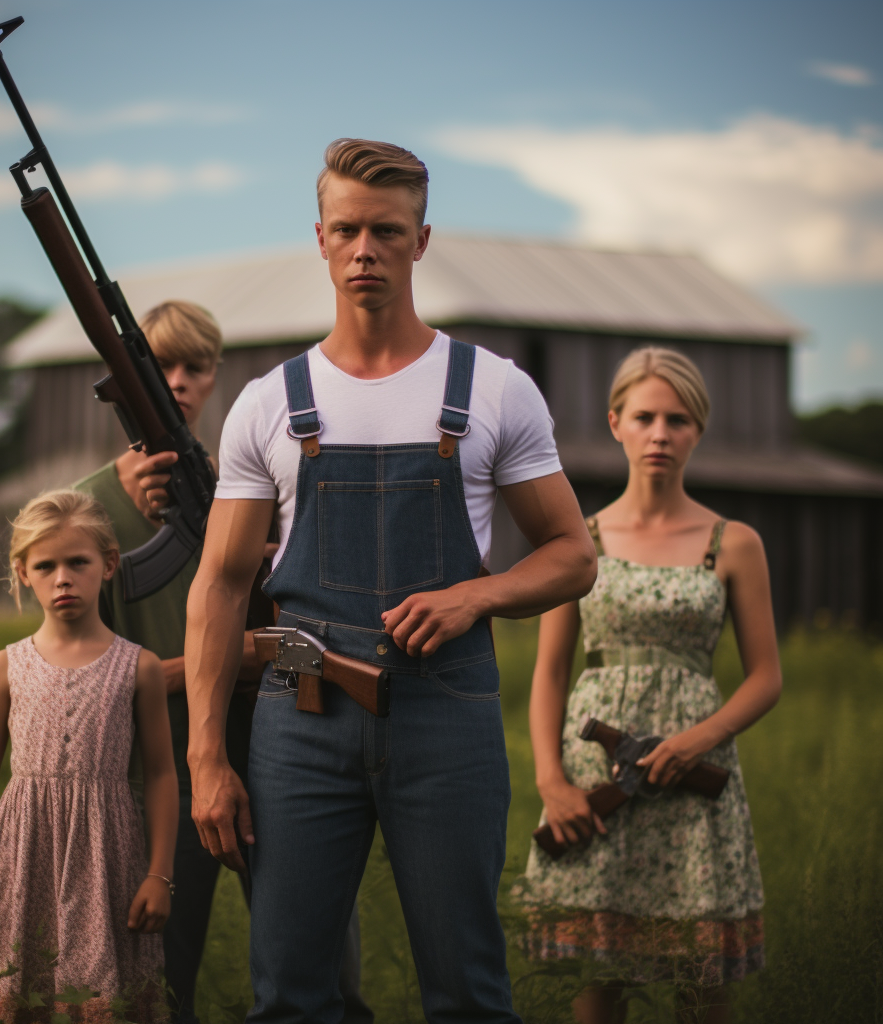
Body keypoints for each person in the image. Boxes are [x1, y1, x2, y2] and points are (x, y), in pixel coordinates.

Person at [176, 138, 597, 1024]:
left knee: (469, 992)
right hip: (297, 706)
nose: (366, 249)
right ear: (321, 240)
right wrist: (208, 754)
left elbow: (573, 553)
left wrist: (476, 594)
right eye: (348, 230)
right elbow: (218, 585)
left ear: (422, 240)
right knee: (290, 992)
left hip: (448, 710)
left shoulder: (493, 390)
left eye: (387, 231)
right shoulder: (268, 401)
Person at [74, 300, 371, 1023]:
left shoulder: (248, 481)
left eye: (194, 367)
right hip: (152, 772)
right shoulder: (86, 510)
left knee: (326, 965)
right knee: (155, 976)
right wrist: (222, 657)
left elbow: (310, 615)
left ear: (214, 378)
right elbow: (73, 674)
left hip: (275, 746)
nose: (178, 381)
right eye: (162, 365)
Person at [516, 347, 782, 1024]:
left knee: (699, 984)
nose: (660, 433)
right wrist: (552, 780)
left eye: (678, 419)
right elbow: (550, 673)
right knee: (599, 978)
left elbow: (766, 678)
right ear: (616, 423)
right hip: (596, 776)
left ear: (698, 430)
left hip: (696, 775)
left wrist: (700, 740)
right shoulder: (579, 539)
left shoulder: (734, 543)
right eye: (645, 417)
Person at [0, 490, 178, 1023]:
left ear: (108, 564)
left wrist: (160, 873)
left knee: (101, 1000)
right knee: (21, 992)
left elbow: (160, 773)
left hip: (108, 857)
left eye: (78, 563)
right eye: (45, 566)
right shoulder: (6, 666)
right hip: (21, 856)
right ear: (22, 572)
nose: (62, 578)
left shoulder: (141, 668)